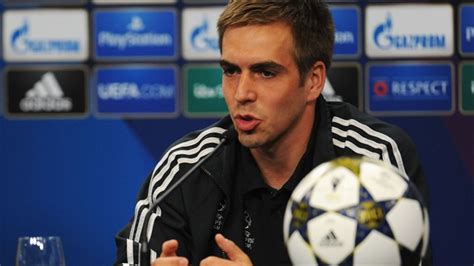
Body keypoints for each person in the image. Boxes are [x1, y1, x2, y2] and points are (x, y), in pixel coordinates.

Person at [115, 1, 430, 265]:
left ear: (313, 80)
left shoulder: (371, 160)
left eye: (266, 72)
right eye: (231, 71)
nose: (241, 93)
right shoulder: (188, 166)